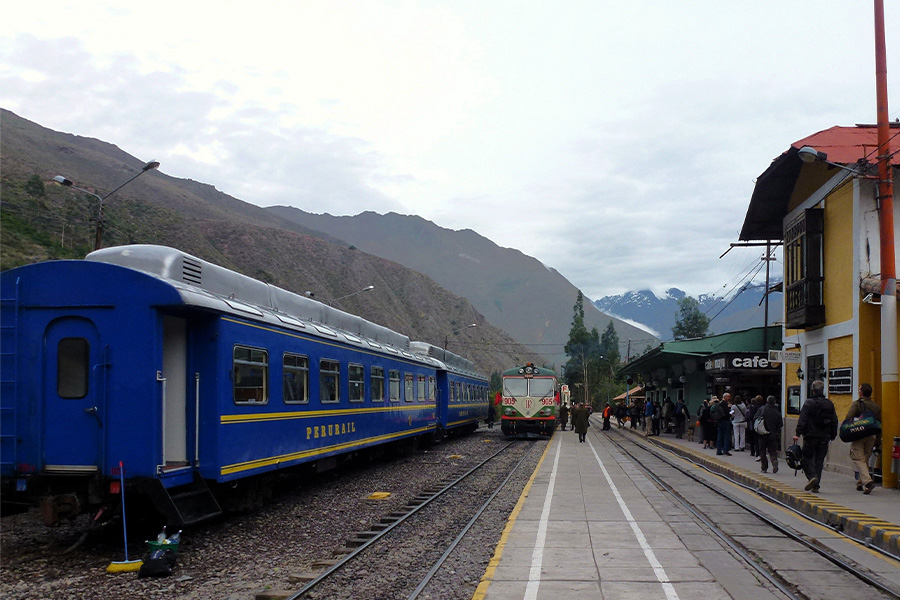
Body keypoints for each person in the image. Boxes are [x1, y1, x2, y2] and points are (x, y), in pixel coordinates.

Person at [793, 380, 838, 493]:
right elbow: (834, 421)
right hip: (824, 436)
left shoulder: (809, 403)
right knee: (819, 460)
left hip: (811, 435)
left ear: (812, 391)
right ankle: (816, 485)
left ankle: (812, 477)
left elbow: (803, 419)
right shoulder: (829, 403)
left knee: (805, 458)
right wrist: (833, 434)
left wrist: (798, 433)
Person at [845, 383, 882, 494]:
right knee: (865, 458)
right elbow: (879, 423)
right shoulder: (876, 406)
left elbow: (848, 418)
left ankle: (868, 482)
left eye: (859, 389)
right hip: (872, 435)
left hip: (859, 434)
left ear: (861, 392)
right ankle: (861, 482)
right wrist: (878, 440)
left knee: (857, 457)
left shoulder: (857, 404)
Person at [757, 395, 783, 474]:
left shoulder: (762, 409)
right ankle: (774, 461)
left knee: (762, 451)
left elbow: (756, 418)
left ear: (767, 401)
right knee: (772, 450)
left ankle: (764, 467)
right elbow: (780, 424)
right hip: (773, 434)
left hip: (762, 434)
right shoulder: (777, 412)